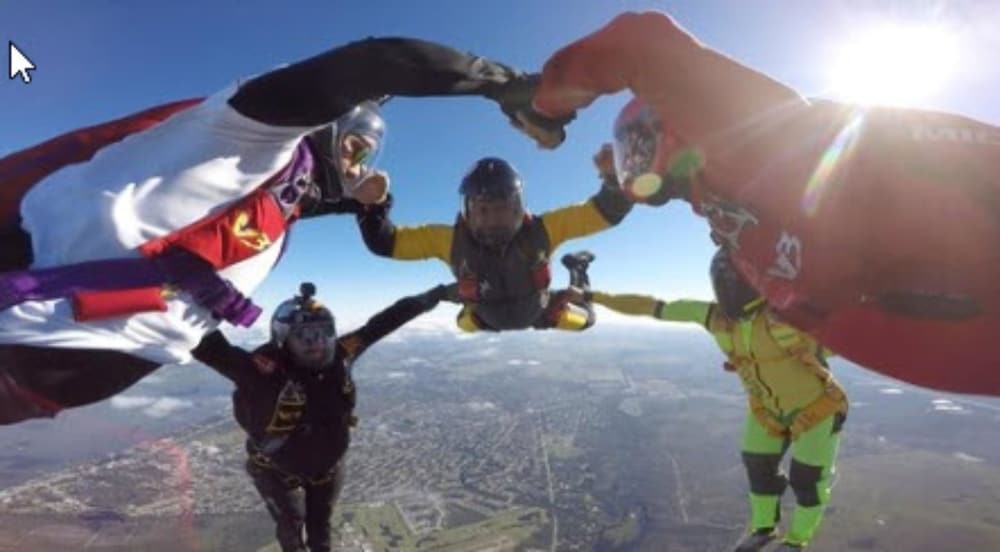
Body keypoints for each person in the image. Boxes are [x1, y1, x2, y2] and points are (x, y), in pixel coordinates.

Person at [0, 35, 572, 425]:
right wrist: (508, 86)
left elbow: (271, 223)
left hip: (49, 378)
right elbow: (377, 61)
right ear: (323, 126)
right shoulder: (245, 133)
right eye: (355, 149)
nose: (358, 168)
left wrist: (365, 206)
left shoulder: (277, 207)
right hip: (29, 325)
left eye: (367, 158)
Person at [531, 11, 1000, 396]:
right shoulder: (734, 213)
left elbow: (641, 44)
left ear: (672, 131)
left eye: (633, 149)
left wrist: (542, 106)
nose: (630, 170)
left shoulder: (767, 143)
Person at [577, 249, 846, 551]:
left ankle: (796, 541)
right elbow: (652, 306)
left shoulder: (782, 318)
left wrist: (815, 328)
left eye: (731, 282)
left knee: (808, 480)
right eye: (723, 283)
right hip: (767, 411)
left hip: (817, 409)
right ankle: (764, 529)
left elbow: (845, 339)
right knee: (758, 467)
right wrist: (593, 296)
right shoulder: (721, 317)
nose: (728, 289)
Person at [192, 281, 450, 552]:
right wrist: (177, 303)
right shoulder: (260, 371)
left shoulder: (342, 354)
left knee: (321, 528)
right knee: (292, 525)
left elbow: (386, 321)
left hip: (328, 470)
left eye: (323, 333)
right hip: (276, 473)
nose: (316, 342)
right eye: (303, 335)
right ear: (283, 340)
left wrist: (437, 294)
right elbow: (208, 347)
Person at [354, 145, 631, 332]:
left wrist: (614, 179)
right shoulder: (449, 240)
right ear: (467, 212)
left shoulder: (542, 230)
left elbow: (605, 213)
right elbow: (384, 243)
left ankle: (578, 269)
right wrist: (372, 204)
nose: (493, 221)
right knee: (464, 323)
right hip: (486, 317)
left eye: (502, 210)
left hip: (540, 311)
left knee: (586, 320)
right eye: (483, 211)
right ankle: (461, 295)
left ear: (518, 209)